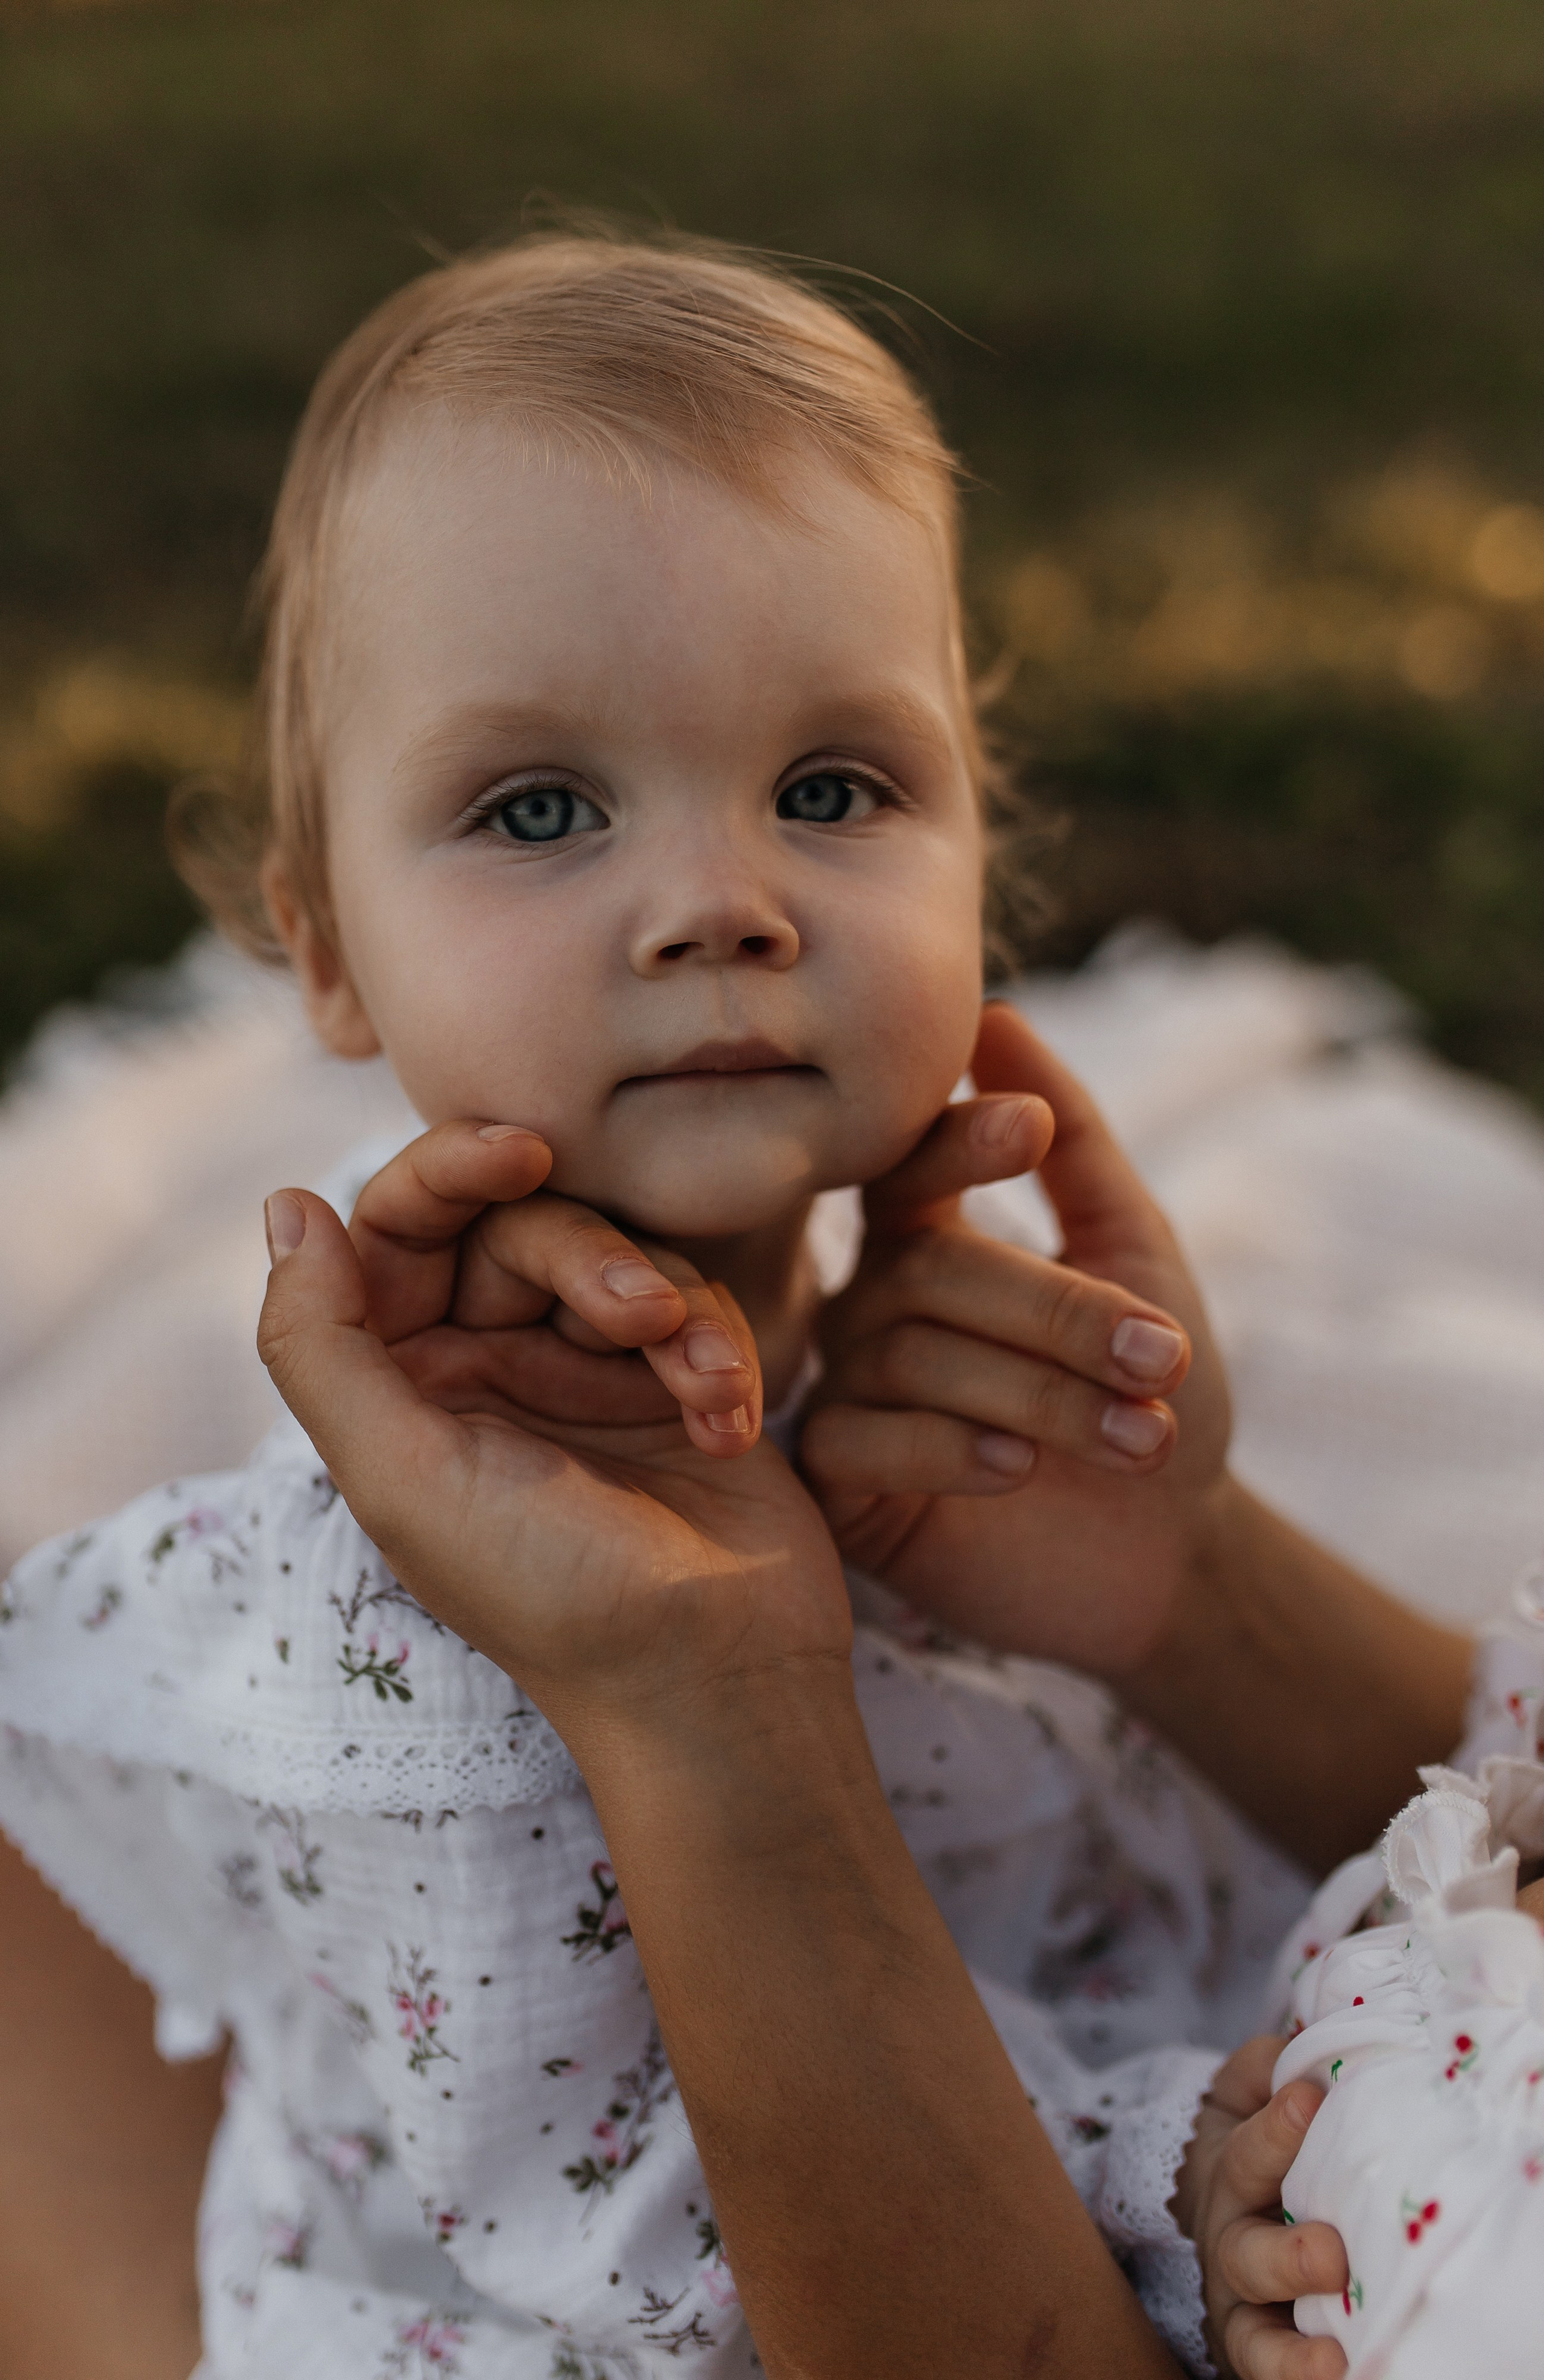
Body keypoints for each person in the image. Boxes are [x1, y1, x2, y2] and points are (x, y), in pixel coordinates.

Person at [0, 230, 1470, 2378]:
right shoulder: (423, 1647)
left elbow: (1116, 1909)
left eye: (833, 789)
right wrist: (1174, 2162)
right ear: (322, 953)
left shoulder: (960, 1450)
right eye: (538, 808)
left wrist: (1198, 1573)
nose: (719, 902)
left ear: (990, 852)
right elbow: (666, 2283)